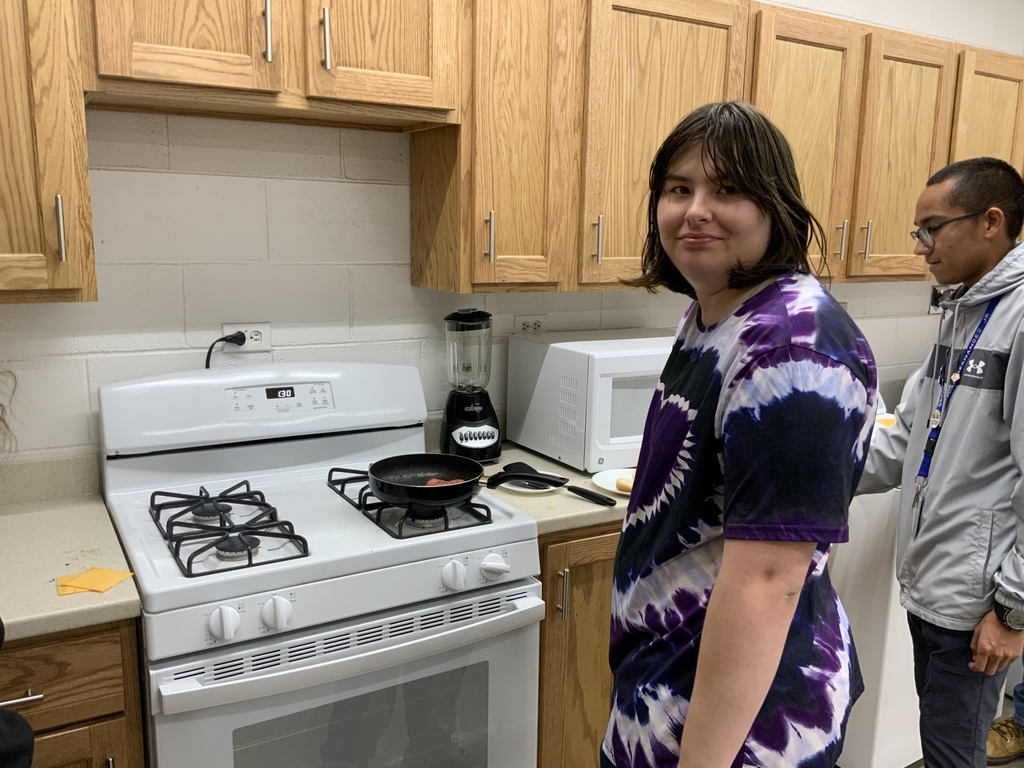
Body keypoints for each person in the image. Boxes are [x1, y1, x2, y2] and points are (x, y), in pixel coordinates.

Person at [601, 101, 877, 768]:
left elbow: (770, 579)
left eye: (727, 189)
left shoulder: (794, 349)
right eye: (678, 188)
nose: (696, 209)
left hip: (743, 731)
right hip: (669, 690)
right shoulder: (712, 314)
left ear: (772, 207)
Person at [857, 156, 1024, 768]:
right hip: (933, 582)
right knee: (941, 746)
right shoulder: (961, 313)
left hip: (980, 600)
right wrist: (812, 467)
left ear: (991, 222)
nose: (921, 247)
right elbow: (904, 440)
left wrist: (1013, 611)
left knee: (952, 755)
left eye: (932, 228)